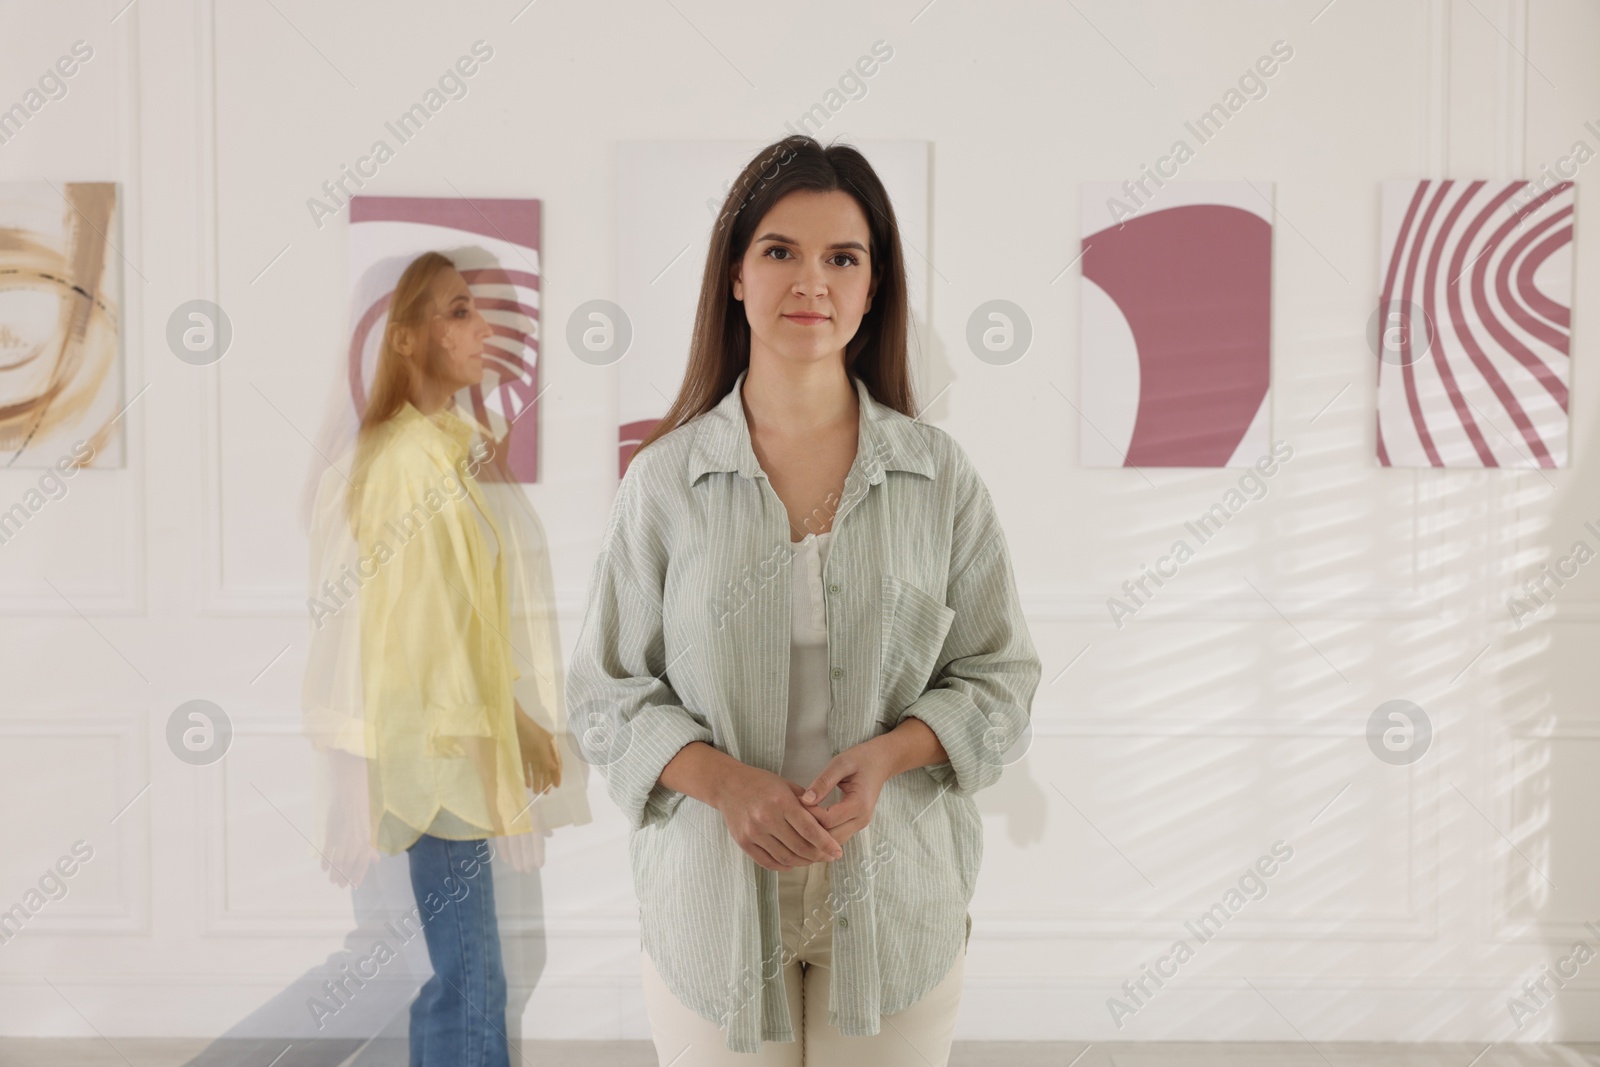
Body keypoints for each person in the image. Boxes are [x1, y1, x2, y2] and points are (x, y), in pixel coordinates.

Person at [566, 135, 1042, 1064]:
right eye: (780, 251)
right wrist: (725, 783)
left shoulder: (939, 478)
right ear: (736, 276)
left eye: (842, 258)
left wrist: (897, 753)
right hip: (711, 902)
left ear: (872, 289)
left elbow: (1001, 678)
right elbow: (603, 692)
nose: (810, 280)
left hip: (897, 899)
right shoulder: (665, 481)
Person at [326, 250, 572, 1066]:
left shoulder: (445, 450)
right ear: (405, 339)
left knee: (465, 980)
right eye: (460, 310)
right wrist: (499, 767)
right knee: (471, 984)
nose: (483, 327)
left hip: (458, 748)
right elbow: (425, 641)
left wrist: (522, 722)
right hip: (441, 759)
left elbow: (470, 622)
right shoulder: (405, 463)